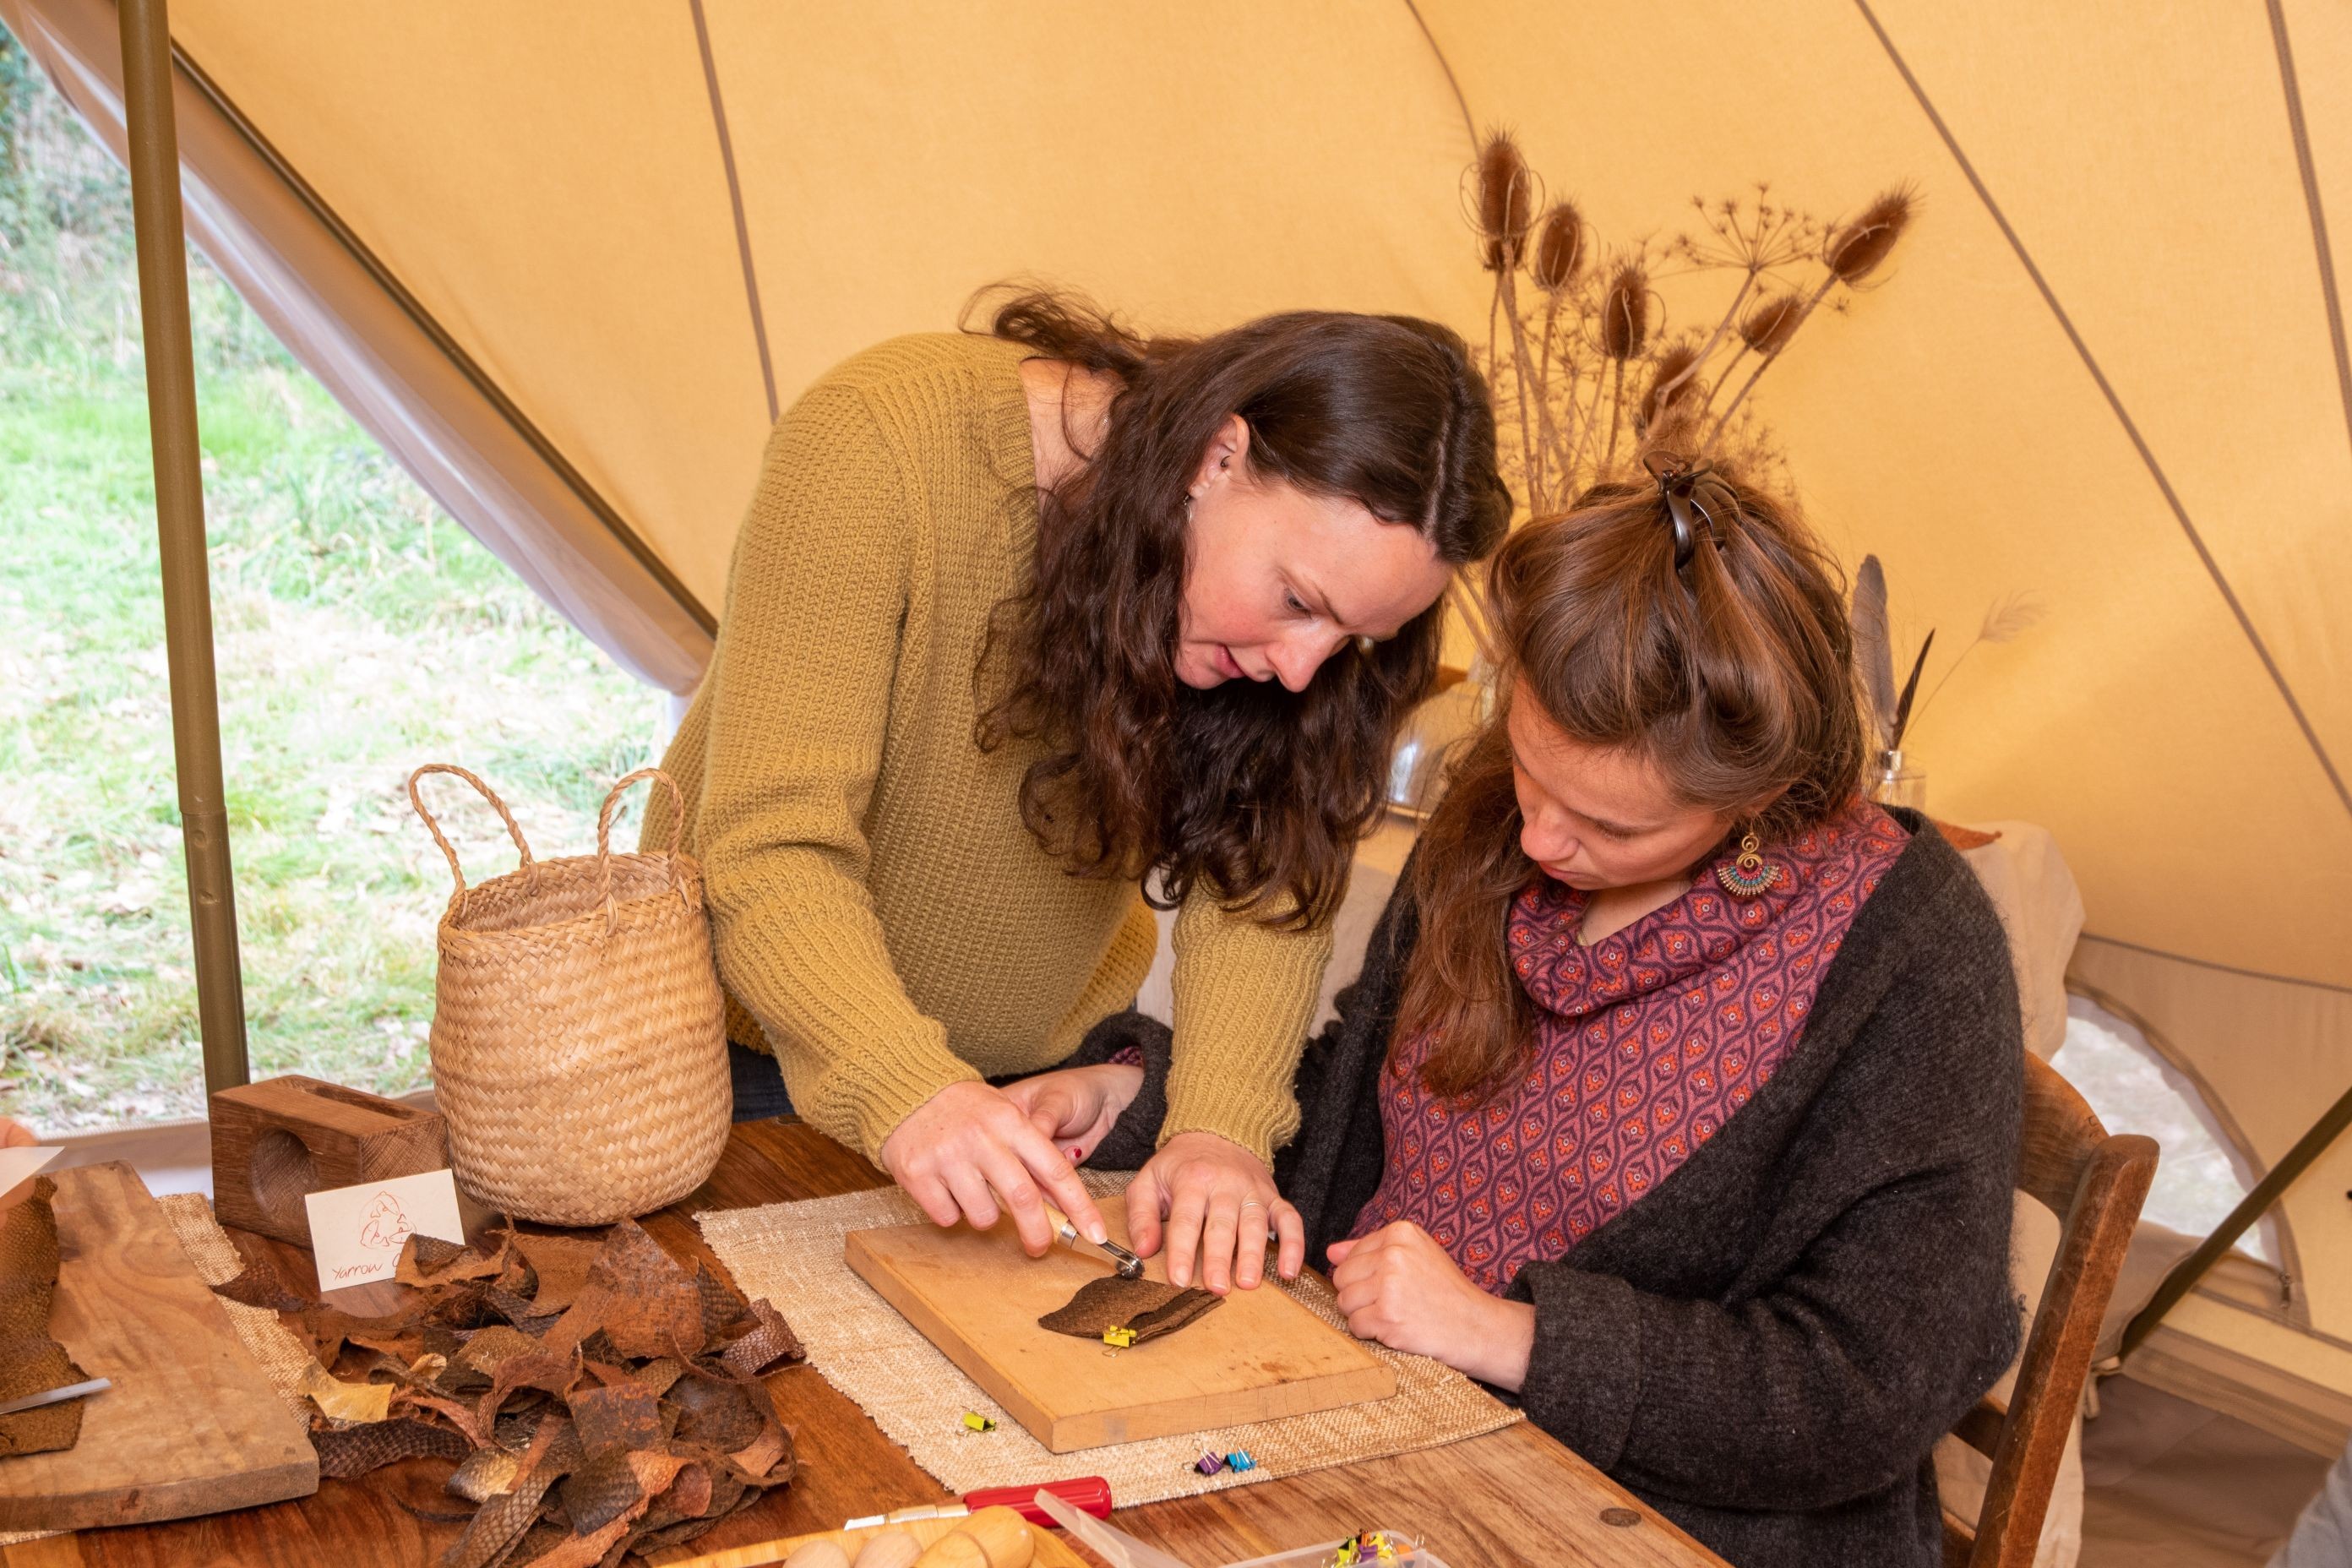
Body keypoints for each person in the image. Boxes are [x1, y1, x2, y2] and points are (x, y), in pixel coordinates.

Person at [1019, 450, 2023, 1566]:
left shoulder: (1910, 955)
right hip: (1379, 1441)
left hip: (1659, 1528)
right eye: (1533, 774)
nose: (1541, 840)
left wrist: (1512, 1339)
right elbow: (1351, 1098)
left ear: (1761, 800)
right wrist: (1146, 1093)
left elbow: (1863, 1392)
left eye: (1616, 829)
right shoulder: (1495, 819)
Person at [645, 291, 1511, 1294]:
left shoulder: (1278, 645)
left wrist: (1220, 1128)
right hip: (746, 1065)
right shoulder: (877, 442)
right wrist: (905, 1086)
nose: (1304, 669)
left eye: (1349, 638)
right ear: (1214, 458)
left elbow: (1263, 879)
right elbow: (771, 846)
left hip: (1027, 1097)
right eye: (1298, 602)